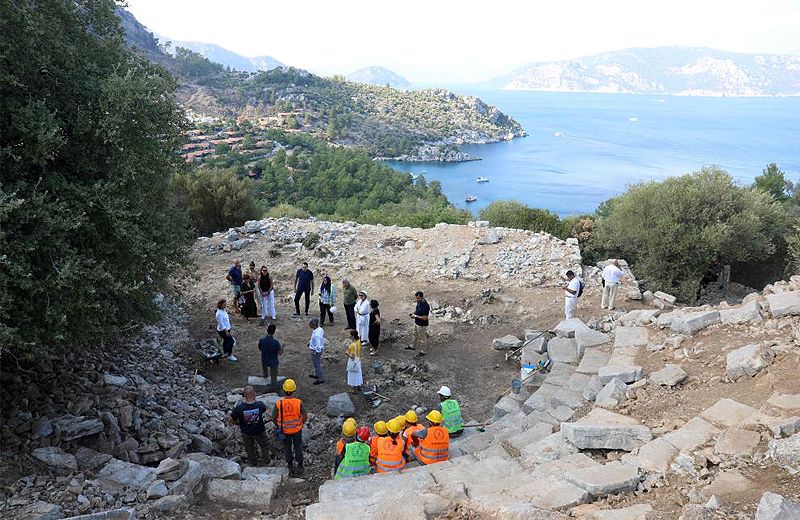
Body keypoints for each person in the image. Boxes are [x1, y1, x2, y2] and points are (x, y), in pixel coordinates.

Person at [273, 379, 307, 476]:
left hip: (285, 431)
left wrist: (279, 425)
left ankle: (290, 465)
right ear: (294, 390)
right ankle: (300, 465)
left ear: (284, 390)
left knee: (287, 447)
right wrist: (301, 423)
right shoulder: (298, 402)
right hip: (297, 429)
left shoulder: (279, 404)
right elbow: (304, 415)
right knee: (298, 447)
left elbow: (273, 418)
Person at [228, 385, 268, 466]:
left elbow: (230, 419)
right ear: (254, 394)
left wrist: (238, 424)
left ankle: (253, 463)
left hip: (246, 432)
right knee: (264, 445)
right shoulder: (260, 405)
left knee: (249, 448)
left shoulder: (239, 408)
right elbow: (264, 410)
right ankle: (266, 462)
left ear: (244, 396)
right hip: (259, 431)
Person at [258, 323, 282, 394]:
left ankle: (265, 376)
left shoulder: (262, 340)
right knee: (274, 377)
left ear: (267, 331)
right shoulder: (276, 342)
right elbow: (279, 353)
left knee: (265, 369)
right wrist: (283, 347)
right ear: (274, 332)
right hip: (273, 361)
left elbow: (260, 348)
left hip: (264, 359)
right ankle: (273, 389)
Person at [406, 291, 430, 357]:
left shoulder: (425, 306)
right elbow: (417, 311)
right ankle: (413, 346)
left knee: (422, 338)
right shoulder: (419, 303)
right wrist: (414, 314)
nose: (416, 300)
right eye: (416, 298)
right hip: (417, 323)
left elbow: (425, 318)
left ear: (422, 297)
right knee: (415, 335)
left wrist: (415, 316)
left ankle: (424, 351)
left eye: (418, 298)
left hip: (422, 325)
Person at [308, 318, 325, 385]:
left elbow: (318, 345)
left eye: (310, 324)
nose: (309, 325)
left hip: (315, 351)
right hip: (316, 348)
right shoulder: (320, 329)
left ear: (313, 325)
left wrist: (316, 351)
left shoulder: (316, 335)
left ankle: (320, 378)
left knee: (317, 365)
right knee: (316, 364)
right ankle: (316, 374)